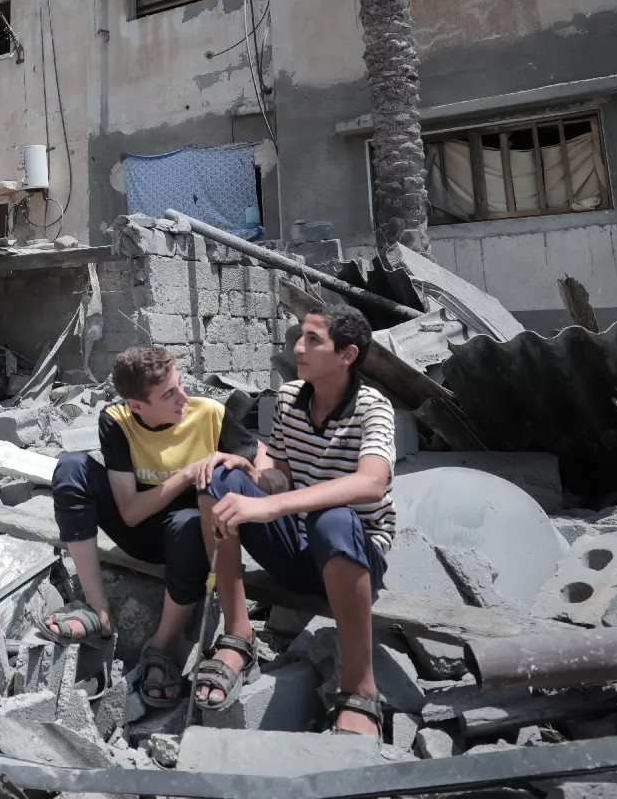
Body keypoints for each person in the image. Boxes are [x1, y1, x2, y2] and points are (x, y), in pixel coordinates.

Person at [194, 302, 396, 736]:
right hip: (300, 551)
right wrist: (253, 474)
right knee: (219, 479)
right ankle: (239, 635)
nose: (298, 348)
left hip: (354, 555)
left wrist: (270, 507)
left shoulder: (373, 408)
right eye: (300, 337)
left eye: (313, 340)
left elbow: (372, 483)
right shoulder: (289, 399)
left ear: (347, 355)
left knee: (332, 520)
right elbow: (282, 474)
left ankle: (360, 686)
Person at [45, 344, 264, 708]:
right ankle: (98, 611)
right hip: (138, 530)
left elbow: (257, 457)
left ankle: (164, 645)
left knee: (187, 522)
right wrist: (187, 474)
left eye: (180, 385)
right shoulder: (117, 420)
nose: (183, 398)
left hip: (190, 540)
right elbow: (130, 512)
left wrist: (264, 475)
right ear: (136, 406)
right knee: (71, 468)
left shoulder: (210, 414)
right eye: (168, 395)